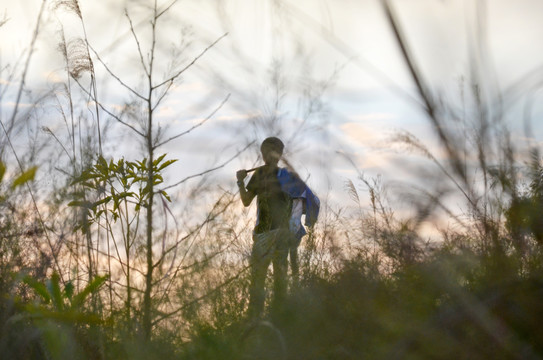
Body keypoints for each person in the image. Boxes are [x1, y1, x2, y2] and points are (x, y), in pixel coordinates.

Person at [237, 137, 319, 318]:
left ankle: (256, 318)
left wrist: (240, 182)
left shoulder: (261, 175)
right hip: (281, 234)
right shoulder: (289, 177)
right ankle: (278, 317)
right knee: (279, 277)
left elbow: (245, 200)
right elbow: (307, 198)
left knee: (259, 278)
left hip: (264, 234)